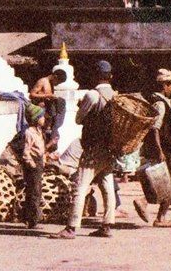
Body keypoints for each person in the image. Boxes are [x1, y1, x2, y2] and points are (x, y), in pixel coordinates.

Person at [51, 60, 117, 240]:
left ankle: (71, 228)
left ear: (96, 75)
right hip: (109, 149)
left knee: (80, 187)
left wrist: (81, 107)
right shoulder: (115, 95)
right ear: (110, 76)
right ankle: (107, 225)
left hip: (93, 147)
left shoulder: (92, 95)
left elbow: (79, 120)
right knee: (107, 186)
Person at [133, 68, 171, 228]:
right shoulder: (160, 104)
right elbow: (155, 128)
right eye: (170, 84)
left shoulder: (160, 102)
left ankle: (156, 212)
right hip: (166, 148)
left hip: (165, 147)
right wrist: (160, 150)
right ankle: (155, 212)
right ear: (164, 85)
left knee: (165, 181)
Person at [22, 103, 47, 229]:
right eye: (42, 117)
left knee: (37, 190)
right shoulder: (29, 133)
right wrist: (31, 163)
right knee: (34, 191)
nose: (44, 119)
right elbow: (26, 151)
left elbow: (41, 149)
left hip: (39, 162)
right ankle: (32, 219)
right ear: (36, 119)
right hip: (33, 164)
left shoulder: (40, 132)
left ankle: (32, 218)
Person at [30, 69, 68, 149]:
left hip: (48, 113)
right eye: (58, 82)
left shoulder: (51, 84)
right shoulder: (43, 81)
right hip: (40, 111)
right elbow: (32, 94)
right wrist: (47, 96)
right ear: (55, 76)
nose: (57, 84)